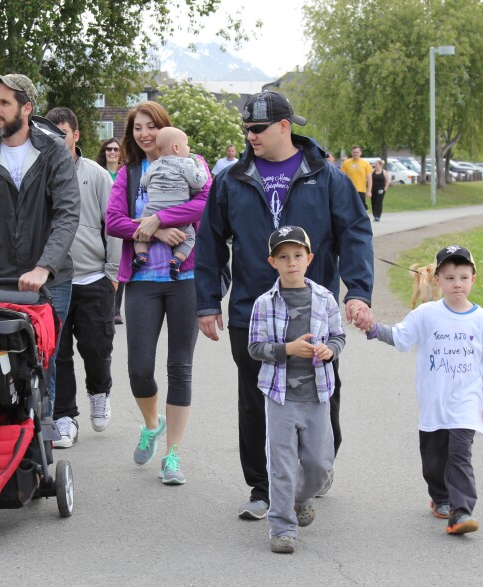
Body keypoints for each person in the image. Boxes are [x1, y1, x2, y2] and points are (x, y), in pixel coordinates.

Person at [195, 90, 374, 520]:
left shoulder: (326, 177)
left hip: (313, 310)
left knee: (320, 395)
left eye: (258, 129)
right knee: (256, 399)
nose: (250, 136)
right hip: (252, 312)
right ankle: (262, 487)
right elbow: (210, 242)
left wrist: (358, 291)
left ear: (284, 127)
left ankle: (315, 468)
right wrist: (207, 301)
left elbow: (354, 231)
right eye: (246, 129)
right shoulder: (232, 179)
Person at [0, 72, 80, 419]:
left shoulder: (53, 151)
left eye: (4, 103)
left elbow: (68, 214)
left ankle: (42, 440)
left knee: (43, 357)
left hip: (51, 280)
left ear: (26, 108)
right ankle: (2, 431)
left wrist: (44, 266)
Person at [364, 245, 483, 535]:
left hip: (467, 402)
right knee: (434, 458)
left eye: (463, 277)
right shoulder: (426, 314)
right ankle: (440, 496)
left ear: (473, 280)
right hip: (434, 402)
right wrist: (373, 328)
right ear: (436, 280)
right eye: (450, 277)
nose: (457, 284)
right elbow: (401, 337)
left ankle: (462, 510)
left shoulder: (481, 320)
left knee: (459, 454)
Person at [105, 101, 212, 485]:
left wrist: (161, 217)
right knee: (138, 371)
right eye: (137, 128)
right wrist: (153, 229)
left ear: (164, 128)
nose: (145, 133)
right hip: (142, 281)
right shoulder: (130, 173)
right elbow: (114, 221)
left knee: (180, 368)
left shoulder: (192, 161)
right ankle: (152, 424)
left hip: (185, 279)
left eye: (151, 126)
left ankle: (172, 455)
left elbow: (205, 202)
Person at [248, 226, 345, 554]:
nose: (292, 262)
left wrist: (329, 350)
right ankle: (282, 527)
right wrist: (288, 349)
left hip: (317, 395)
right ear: (272, 261)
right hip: (279, 398)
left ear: (309, 259)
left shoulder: (324, 298)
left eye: (298, 256)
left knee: (319, 464)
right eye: (284, 257)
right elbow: (255, 347)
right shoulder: (264, 303)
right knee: (282, 465)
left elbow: (338, 336)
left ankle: (302, 499)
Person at [44, 107, 121, 448]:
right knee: (56, 351)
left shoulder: (97, 175)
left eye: (62, 133)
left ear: (76, 136)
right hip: (54, 280)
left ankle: (100, 391)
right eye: (50, 134)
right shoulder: (39, 175)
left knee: (96, 346)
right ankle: (64, 417)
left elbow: (114, 226)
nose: (56, 140)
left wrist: (113, 273)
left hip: (94, 277)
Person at [133, 127, 208, 280]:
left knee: (140, 232)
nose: (188, 149)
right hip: (177, 210)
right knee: (189, 236)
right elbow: (198, 182)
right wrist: (199, 166)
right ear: (176, 147)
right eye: (186, 145)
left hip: (152, 210)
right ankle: (177, 259)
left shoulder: (153, 165)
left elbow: (143, 183)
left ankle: (141, 254)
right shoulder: (187, 163)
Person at [97, 137, 125, 323]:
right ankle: (103, 305)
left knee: (118, 264)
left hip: (119, 224)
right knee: (101, 264)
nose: (112, 152)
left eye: (115, 149)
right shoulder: (98, 173)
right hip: (100, 224)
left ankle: (115, 309)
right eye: (108, 149)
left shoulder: (125, 174)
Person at [341, 145, 373, 211]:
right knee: (350, 208)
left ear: (360, 153)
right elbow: (342, 177)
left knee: (361, 209)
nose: (355, 154)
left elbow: (369, 178)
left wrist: (369, 191)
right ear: (351, 153)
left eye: (357, 152)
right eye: (354, 152)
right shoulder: (346, 163)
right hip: (349, 189)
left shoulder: (365, 163)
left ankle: (362, 221)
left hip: (361, 190)